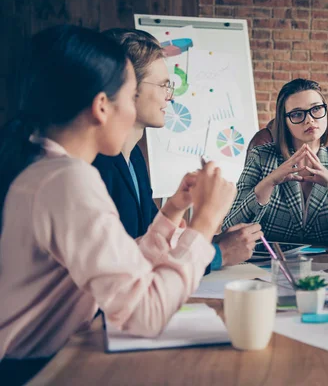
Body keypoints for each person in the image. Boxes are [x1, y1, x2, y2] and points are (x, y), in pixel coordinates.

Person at [0, 25, 236, 384]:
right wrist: (205, 222)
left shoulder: (47, 168)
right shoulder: (66, 180)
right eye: (128, 97)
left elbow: (120, 263)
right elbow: (146, 312)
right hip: (39, 372)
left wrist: (172, 211)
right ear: (101, 107)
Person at [92, 29, 262, 270]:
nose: (169, 97)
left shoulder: (135, 159)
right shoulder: (95, 165)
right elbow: (127, 267)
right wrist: (217, 252)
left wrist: (211, 240)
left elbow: (152, 243)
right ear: (128, 88)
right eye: (163, 85)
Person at [223, 78, 328, 246]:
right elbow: (229, 228)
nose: (309, 120)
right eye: (297, 114)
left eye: (316, 109)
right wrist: (269, 182)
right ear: (284, 121)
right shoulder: (261, 157)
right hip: (270, 264)